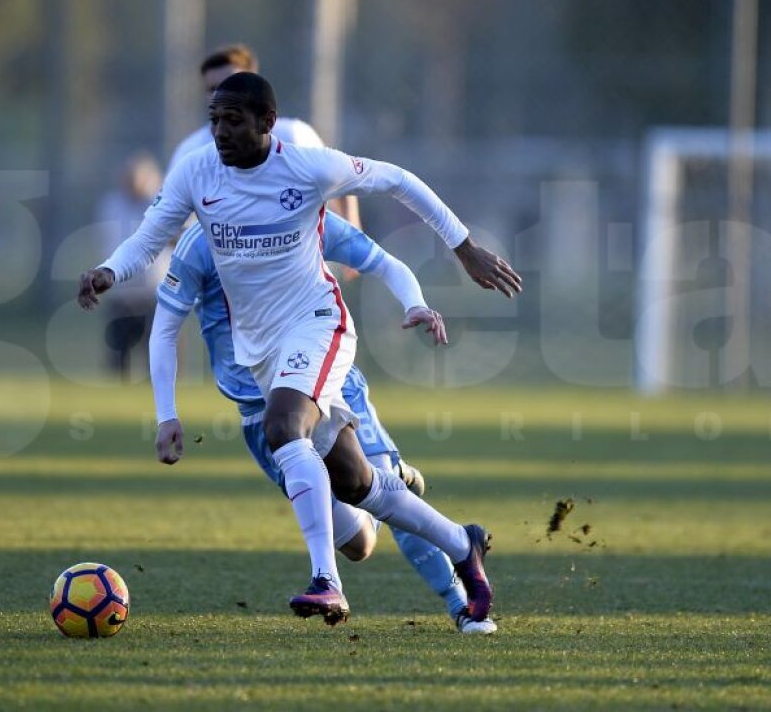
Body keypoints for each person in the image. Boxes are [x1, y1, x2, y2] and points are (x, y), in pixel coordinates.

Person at [79, 72, 521, 626]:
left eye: (233, 120)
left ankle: (326, 582)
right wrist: (109, 271)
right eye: (214, 119)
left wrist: (464, 247)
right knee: (359, 487)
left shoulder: (308, 168)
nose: (219, 131)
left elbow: (399, 180)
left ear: (266, 123)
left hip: (319, 324)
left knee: (284, 427)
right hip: (263, 352)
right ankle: (464, 542)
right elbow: (148, 240)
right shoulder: (197, 174)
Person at [151, 214, 497, 634]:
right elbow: (164, 323)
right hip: (257, 410)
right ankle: (402, 495)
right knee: (359, 542)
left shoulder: (295, 201)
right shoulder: (201, 242)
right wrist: (166, 412)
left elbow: (380, 236)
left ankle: (461, 606)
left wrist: (416, 301)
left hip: (326, 375)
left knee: (378, 482)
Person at [167, 44, 360, 230]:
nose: (221, 94)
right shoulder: (190, 152)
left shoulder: (293, 134)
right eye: (212, 89)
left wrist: (353, 244)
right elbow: (170, 223)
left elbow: (344, 177)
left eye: (232, 84)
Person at [93, 152, 165, 377]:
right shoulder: (111, 205)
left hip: (155, 293)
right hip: (122, 294)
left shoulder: (163, 205)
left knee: (160, 355)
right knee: (118, 352)